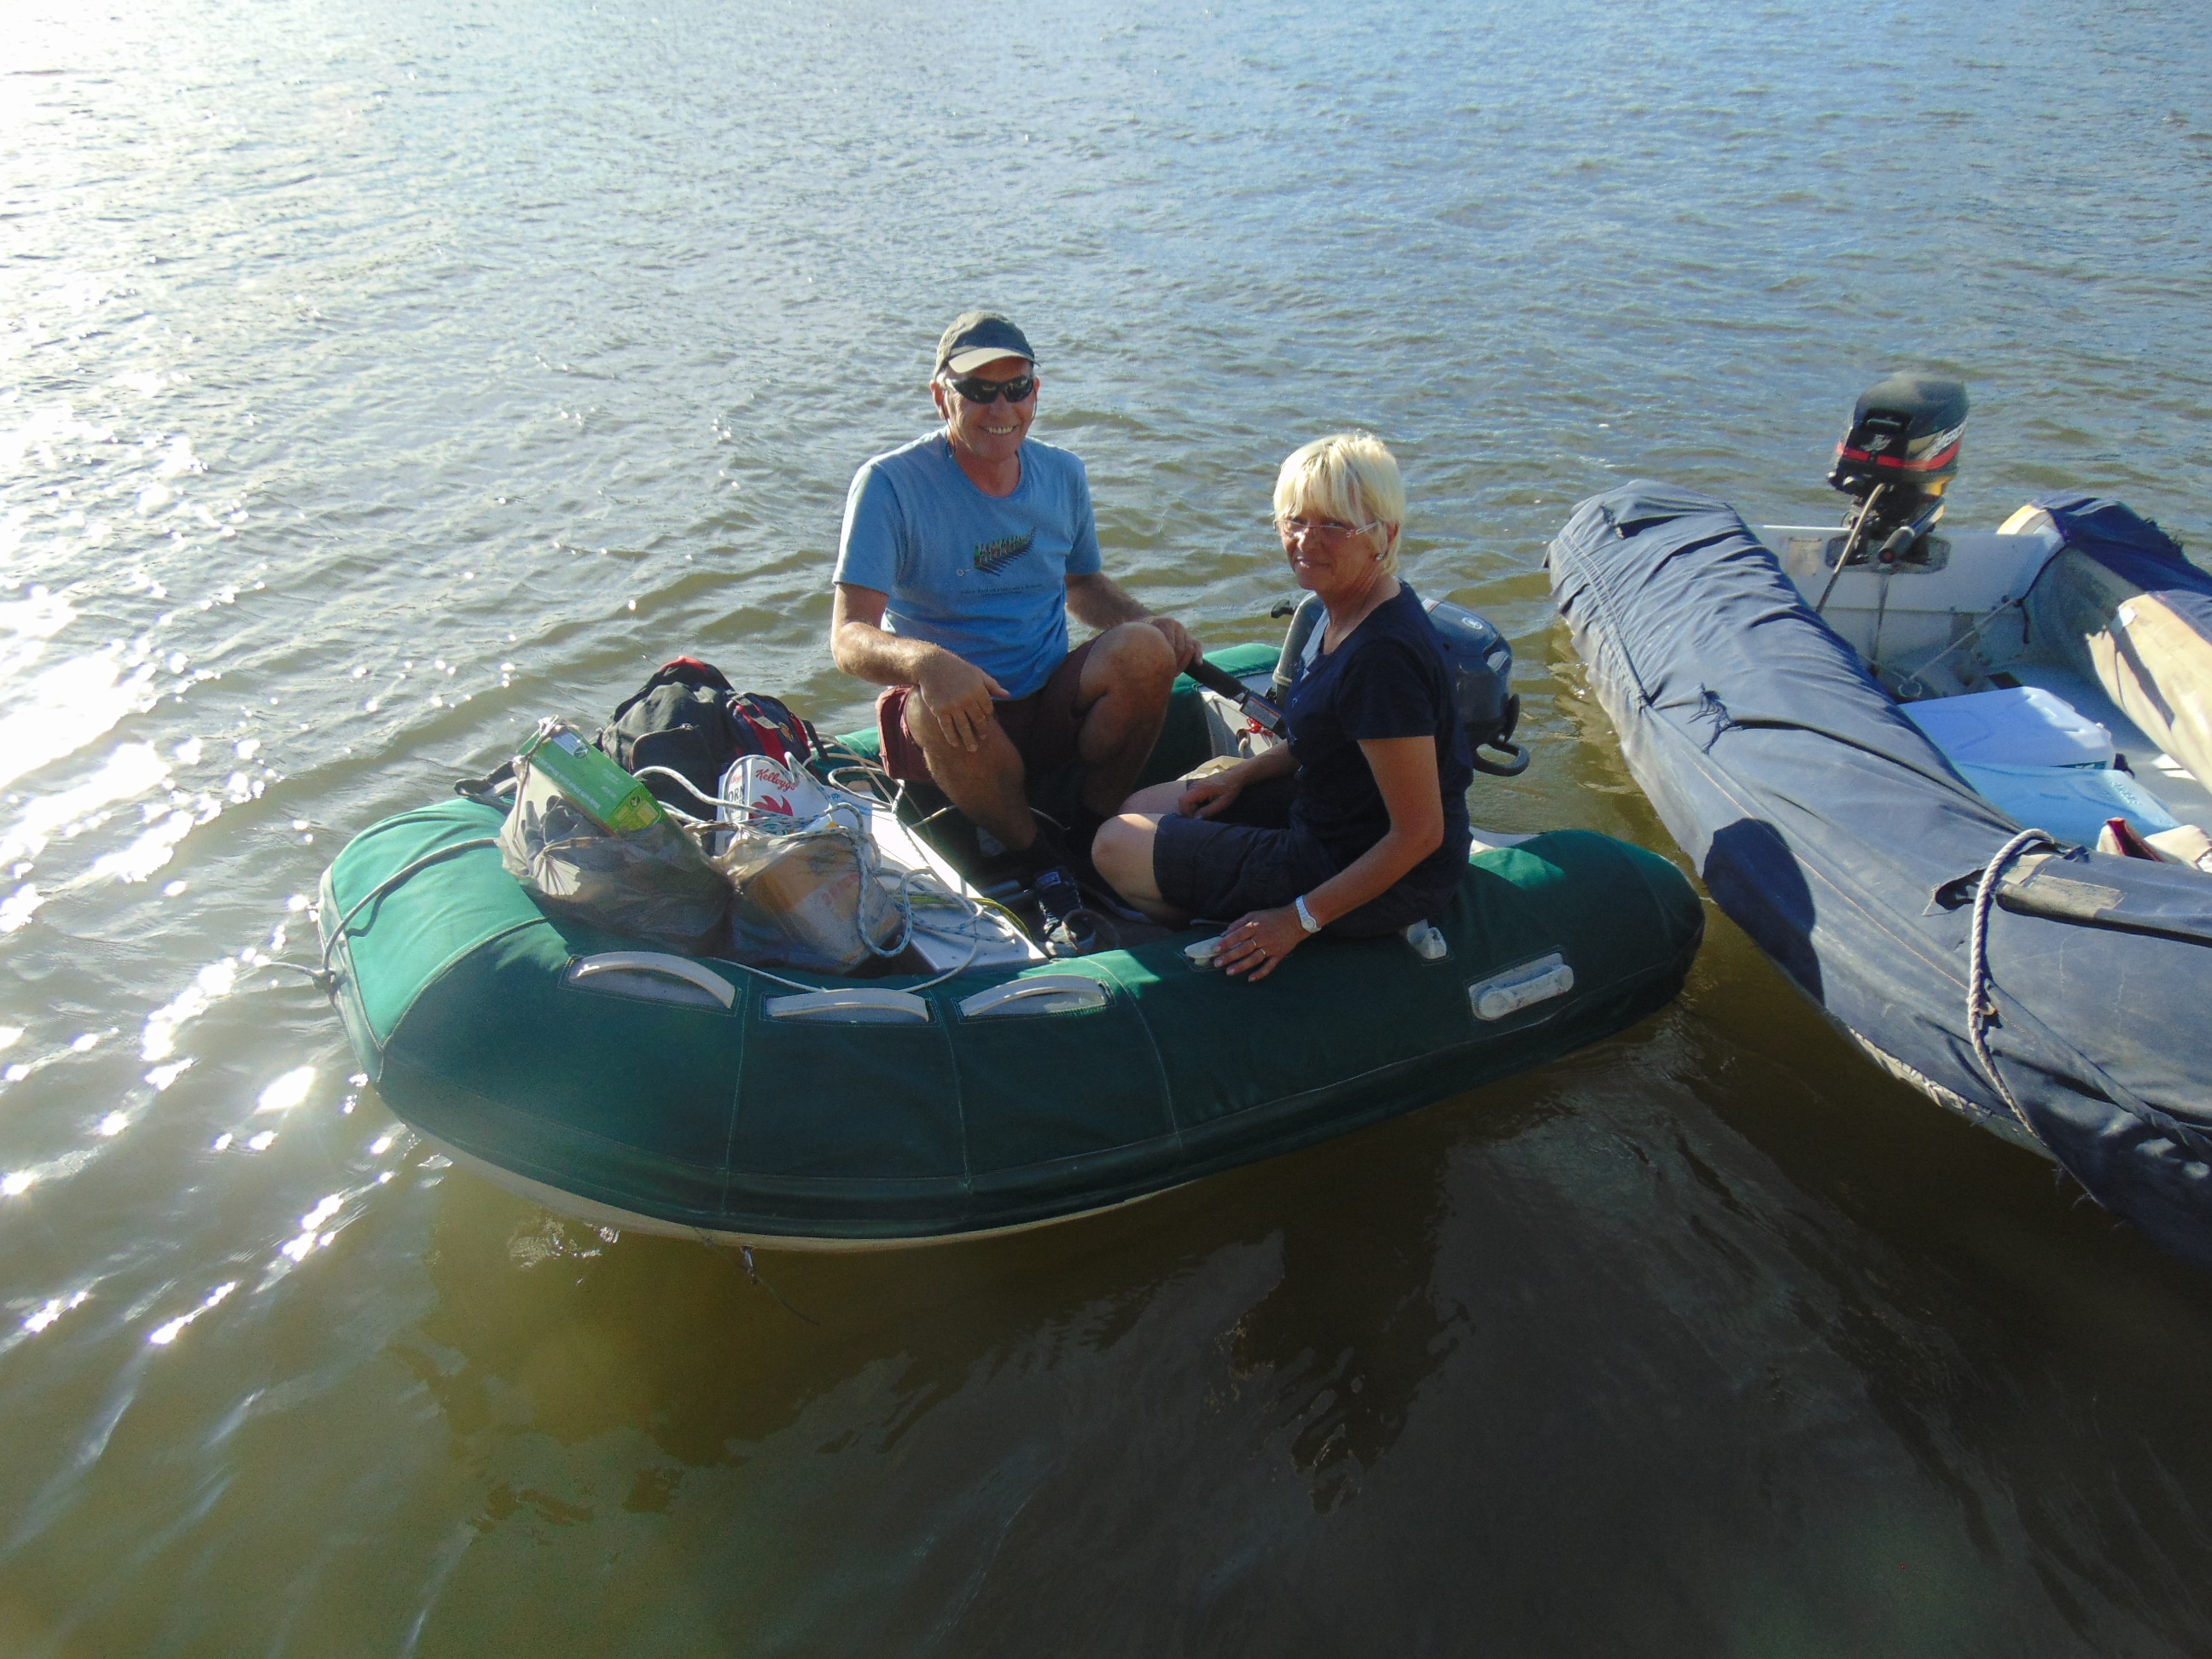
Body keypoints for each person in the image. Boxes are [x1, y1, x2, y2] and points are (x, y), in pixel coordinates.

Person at [829, 312, 1197, 949]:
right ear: (941, 395)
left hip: (1049, 701)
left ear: (1035, 393)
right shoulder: (888, 484)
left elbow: (1083, 585)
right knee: (932, 703)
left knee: (1145, 649)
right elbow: (848, 637)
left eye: (1015, 388)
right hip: (958, 728)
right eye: (978, 390)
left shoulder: (1064, 473)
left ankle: (1089, 838)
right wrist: (928, 663)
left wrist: (1150, 624)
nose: (1000, 408)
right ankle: (1041, 863)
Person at [1091, 433, 1472, 981]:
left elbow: (1419, 834)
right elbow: (1323, 737)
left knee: (1113, 846)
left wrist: (1296, 920)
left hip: (1371, 869)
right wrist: (1240, 776)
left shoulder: (1383, 658)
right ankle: (1216, 901)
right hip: (1327, 813)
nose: (1306, 540)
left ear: (1384, 535)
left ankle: (1220, 937)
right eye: (1295, 520)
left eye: (1334, 525)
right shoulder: (1339, 609)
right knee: (1143, 804)